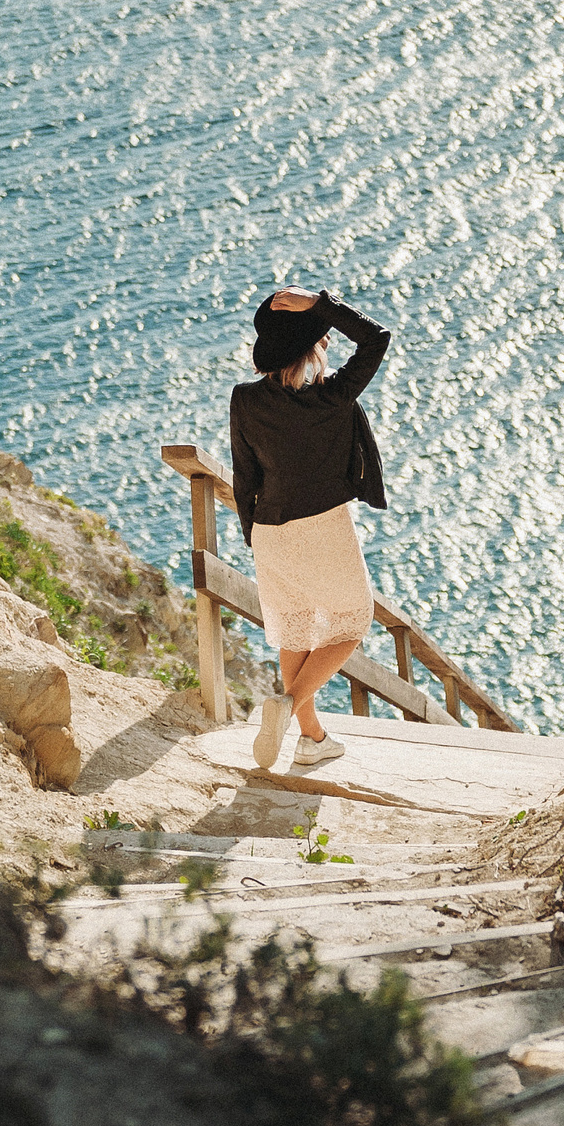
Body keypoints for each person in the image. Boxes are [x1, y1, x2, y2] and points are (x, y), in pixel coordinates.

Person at [229, 286, 391, 769]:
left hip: (268, 530)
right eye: (321, 335)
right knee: (353, 621)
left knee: (296, 630)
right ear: (310, 346)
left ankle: (312, 739)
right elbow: (376, 338)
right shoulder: (333, 396)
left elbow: (244, 476)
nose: (328, 340)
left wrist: (253, 535)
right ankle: (288, 704)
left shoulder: (244, 399)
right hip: (322, 526)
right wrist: (323, 304)